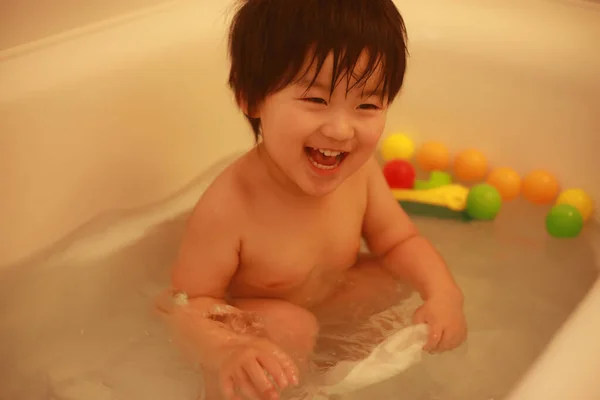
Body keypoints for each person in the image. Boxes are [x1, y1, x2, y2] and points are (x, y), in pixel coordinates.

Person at [160, 0, 467, 399]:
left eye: (367, 105)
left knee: (395, 276)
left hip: (328, 304)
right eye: (316, 101)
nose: (341, 130)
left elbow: (400, 242)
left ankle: (326, 372)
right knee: (291, 325)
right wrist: (229, 349)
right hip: (263, 329)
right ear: (252, 98)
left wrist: (444, 294)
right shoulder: (230, 206)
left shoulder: (363, 173)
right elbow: (184, 305)